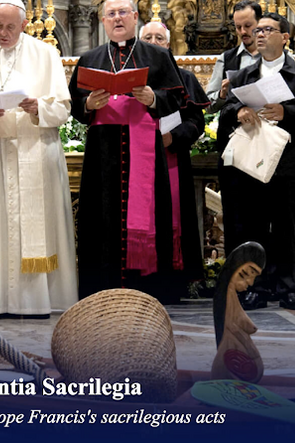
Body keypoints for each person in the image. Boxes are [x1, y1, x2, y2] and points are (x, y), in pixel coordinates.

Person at [0, 0, 78, 316]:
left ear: (23, 25)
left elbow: (63, 109)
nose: (3, 33)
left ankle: (40, 300)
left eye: (10, 27)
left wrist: (40, 108)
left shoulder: (46, 54)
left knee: (42, 226)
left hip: (37, 150)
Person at [68, 0, 187, 303]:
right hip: (102, 154)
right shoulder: (90, 57)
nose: (117, 18)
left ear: (135, 17)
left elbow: (176, 100)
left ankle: (147, 291)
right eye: (111, 14)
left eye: (123, 13)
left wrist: (152, 98)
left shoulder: (158, 55)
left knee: (149, 215)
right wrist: (88, 105)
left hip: (144, 149)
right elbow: (74, 103)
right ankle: (101, 290)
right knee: (101, 217)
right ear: (103, 20)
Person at [217, 13, 295, 310]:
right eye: (258, 29)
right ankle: (258, 287)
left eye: (268, 29)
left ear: (285, 36)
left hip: (286, 160)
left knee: (285, 226)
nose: (260, 34)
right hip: (253, 158)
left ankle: (288, 287)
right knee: (253, 226)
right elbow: (224, 112)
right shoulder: (244, 75)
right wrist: (238, 112)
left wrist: (286, 112)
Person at [139, 21, 207, 301]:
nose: (154, 41)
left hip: (171, 160)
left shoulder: (185, 78)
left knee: (173, 218)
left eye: (159, 37)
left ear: (168, 44)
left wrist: (174, 137)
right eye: (148, 37)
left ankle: (171, 281)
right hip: (137, 163)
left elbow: (196, 122)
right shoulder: (129, 77)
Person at [206, 0, 261, 114]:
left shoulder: (276, 56)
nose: (243, 32)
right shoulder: (226, 59)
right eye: (238, 27)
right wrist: (222, 94)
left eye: (248, 26)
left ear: (260, 23)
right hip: (236, 125)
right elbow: (209, 106)